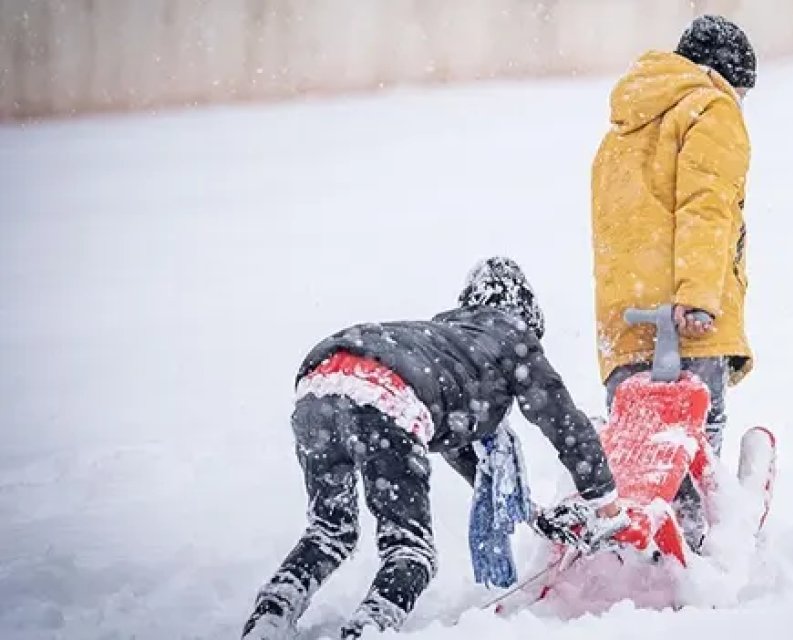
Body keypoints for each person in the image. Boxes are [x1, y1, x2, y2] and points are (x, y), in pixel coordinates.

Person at [241, 257, 626, 639]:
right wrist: (606, 504)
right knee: (411, 553)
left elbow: (466, 455)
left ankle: (270, 617)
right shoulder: (511, 338)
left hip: (319, 385)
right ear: (527, 313)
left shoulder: (445, 344)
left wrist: (533, 515)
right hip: (385, 397)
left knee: (330, 532)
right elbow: (565, 423)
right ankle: (367, 630)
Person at [589, 14, 757, 549]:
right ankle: (698, 547)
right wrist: (698, 297)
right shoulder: (712, 108)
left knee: (642, 454)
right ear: (727, 76)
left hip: (624, 322)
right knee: (694, 442)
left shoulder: (624, 125)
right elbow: (706, 209)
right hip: (686, 317)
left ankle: (640, 548)